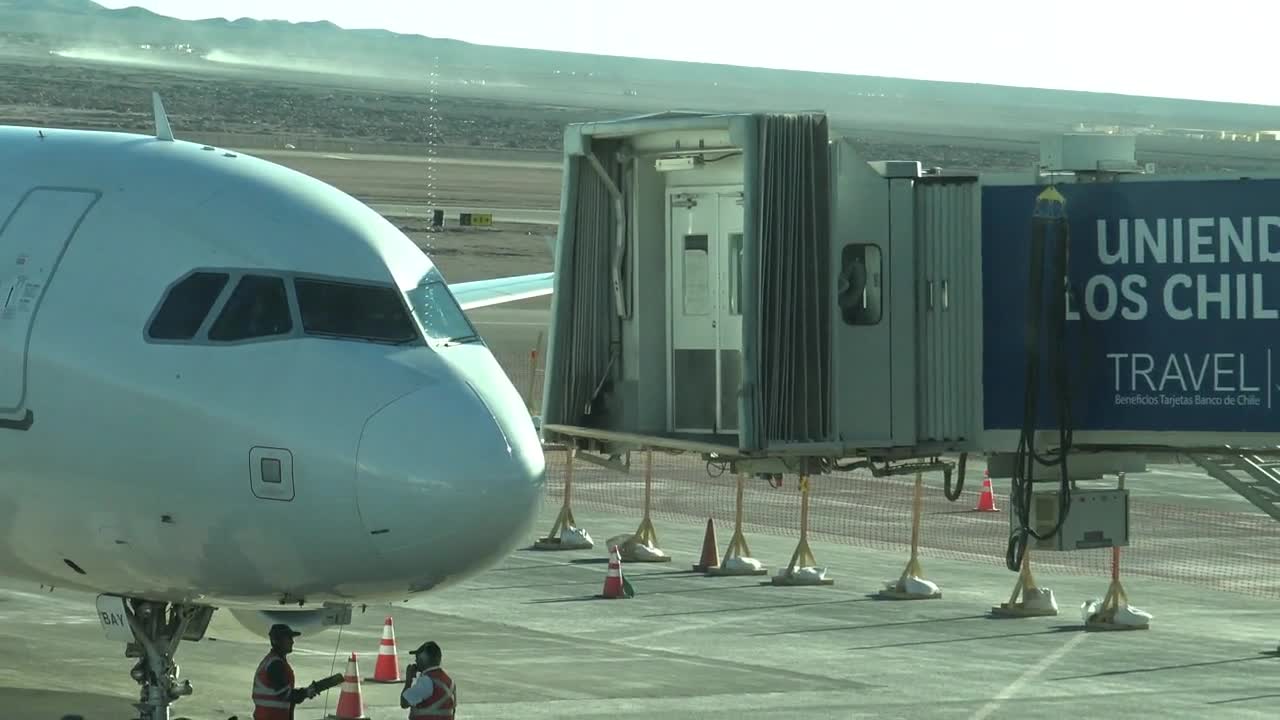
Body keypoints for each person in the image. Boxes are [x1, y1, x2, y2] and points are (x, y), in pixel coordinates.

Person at [251, 623, 320, 720]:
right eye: (289, 638)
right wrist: (305, 693)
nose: (292, 642)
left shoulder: (273, 661)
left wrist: (305, 692)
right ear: (278, 641)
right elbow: (285, 695)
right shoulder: (275, 665)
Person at [400, 640, 456, 718]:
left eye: (417, 658)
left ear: (423, 660)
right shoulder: (450, 682)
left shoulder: (426, 681)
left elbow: (404, 702)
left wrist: (408, 680)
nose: (415, 661)